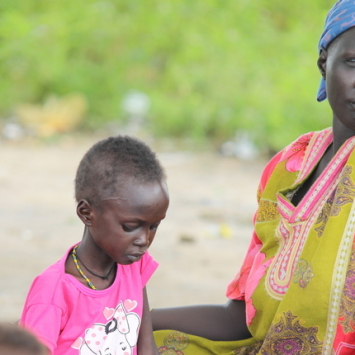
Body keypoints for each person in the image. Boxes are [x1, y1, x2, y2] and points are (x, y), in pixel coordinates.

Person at [152, 1, 355, 354]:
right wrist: (130, 317)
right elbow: (243, 319)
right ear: (324, 63)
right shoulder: (290, 166)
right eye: (353, 63)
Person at [20, 136, 169, 355]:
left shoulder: (133, 266)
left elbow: (146, 346)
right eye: (130, 227)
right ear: (87, 213)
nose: (144, 240)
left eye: (153, 226)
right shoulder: (53, 291)